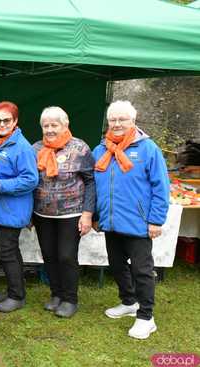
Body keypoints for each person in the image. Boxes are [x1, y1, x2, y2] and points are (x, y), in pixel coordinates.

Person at [93, 100, 169, 339]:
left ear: (133, 121)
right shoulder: (100, 150)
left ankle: (147, 317)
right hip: (111, 222)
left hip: (138, 223)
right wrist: (96, 215)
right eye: (113, 119)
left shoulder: (148, 149)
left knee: (142, 270)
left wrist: (156, 220)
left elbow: (161, 186)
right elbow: (95, 187)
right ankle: (129, 301)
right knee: (116, 265)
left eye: (122, 119)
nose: (116, 124)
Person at [32, 106, 95, 318]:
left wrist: (87, 213)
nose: (49, 129)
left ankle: (70, 299)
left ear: (65, 125)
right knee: (49, 255)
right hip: (42, 214)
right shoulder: (36, 148)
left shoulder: (80, 148)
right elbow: (30, 181)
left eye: (54, 125)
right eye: (46, 125)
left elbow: (90, 181)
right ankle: (56, 294)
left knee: (66, 256)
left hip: (71, 214)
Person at [0, 101, 38, 312]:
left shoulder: (21, 147)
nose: (2, 124)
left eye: (7, 120)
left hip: (13, 209)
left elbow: (31, 179)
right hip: (2, 209)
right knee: (7, 250)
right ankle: (13, 291)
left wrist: (1, 185)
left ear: (15, 122)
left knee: (7, 251)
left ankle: (17, 296)